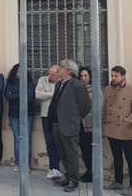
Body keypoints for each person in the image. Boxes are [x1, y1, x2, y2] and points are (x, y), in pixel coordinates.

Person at [48, 59, 91, 193]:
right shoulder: (59, 84)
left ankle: (74, 180)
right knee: (62, 153)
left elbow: (85, 106)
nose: (59, 69)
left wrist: (75, 119)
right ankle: (67, 176)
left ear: (69, 70)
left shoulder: (77, 85)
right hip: (56, 124)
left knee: (72, 154)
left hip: (69, 125)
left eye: (61, 67)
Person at [103, 66, 132, 195]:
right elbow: (104, 108)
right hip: (111, 128)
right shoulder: (108, 89)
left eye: (116, 76)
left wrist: (127, 120)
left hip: (125, 129)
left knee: (130, 157)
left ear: (123, 76)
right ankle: (118, 181)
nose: (113, 78)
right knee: (116, 156)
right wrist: (104, 121)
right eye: (112, 76)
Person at [5, 63, 36, 173]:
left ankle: (26, 164)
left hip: (28, 114)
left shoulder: (30, 83)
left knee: (26, 139)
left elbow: (29, 98)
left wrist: (16, 95)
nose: (20, 73)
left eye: (21, 71)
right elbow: (8, 96)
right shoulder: (10, 82)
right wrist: (20, 94)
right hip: (14, 114)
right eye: (18, 71)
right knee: (17, 139)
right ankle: (18, 163)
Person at [35, 65, 62, 180]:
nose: (49, 76)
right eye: (49, 73)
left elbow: (61, 97)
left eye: (52, 74)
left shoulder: (61, 83)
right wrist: (53, 94)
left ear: (58, 75)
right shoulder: (42, 80)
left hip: (58, 116)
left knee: (58, 143)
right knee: (49, 142)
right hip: (45, 115)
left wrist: (46, 93)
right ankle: (53, 168)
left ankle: (56, 168)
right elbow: (37, 95)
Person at [78, 67, 93, 182]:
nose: (83, 78)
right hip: (80, 124)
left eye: (85, 76)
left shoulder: (95, 90)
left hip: (91, 125)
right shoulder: (78, 89)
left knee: (91, 150)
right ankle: (88, 171)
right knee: (84, 150)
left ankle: (93, 172)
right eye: (81, 76)